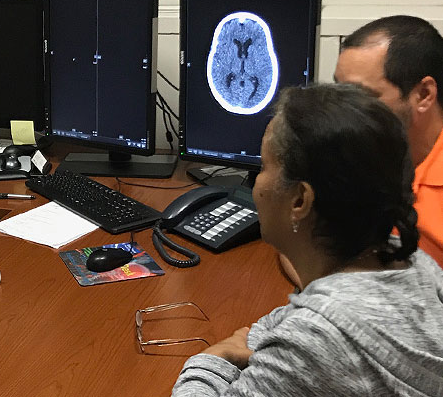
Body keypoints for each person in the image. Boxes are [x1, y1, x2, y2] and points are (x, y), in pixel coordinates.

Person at [171, 84, 443, 396]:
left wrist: (209, 358)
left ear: (300, 200)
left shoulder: (316, 340)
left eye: (263, 167)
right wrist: (271, 349)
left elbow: (305, 336)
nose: (256, 185)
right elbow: (290, 318)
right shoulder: (412, 263)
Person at [334, 15, 443, 265]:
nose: (341, 110)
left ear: (424, 95)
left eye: (360, 96)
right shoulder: (354, 149)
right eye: (339, 91)